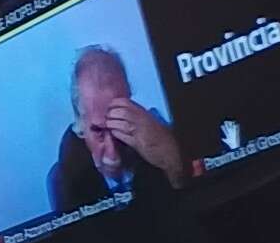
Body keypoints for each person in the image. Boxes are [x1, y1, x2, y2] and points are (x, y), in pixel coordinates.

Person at [46, 44, 187, 215]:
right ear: (80, 125)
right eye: (99, 132)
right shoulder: (63, 181)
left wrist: (172, 159)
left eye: (120, 125)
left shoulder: (167, 139)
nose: (113, 156)